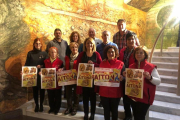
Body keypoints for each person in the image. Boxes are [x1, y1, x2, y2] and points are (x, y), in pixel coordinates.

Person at [124, 46, 161, 120]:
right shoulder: (131, 66)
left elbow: (158, 81)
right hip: (133, 97)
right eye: (137, 53)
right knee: (136, 116)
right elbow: (130, 81)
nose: (138, 54)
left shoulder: (151, 67)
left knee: (140, 117)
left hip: (144, 98)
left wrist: (150, 77)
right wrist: (126, 76)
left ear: (145, 54)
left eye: (141, 53)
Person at [76, 37, 102, 120]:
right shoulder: (81, 54)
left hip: (93, 80)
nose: (89, 45)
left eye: (91, 43)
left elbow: (101, 65)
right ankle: (86, 114)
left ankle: (92, 114)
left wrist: (93, 64)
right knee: (85, 98)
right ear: (85, 44)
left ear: (93, 44)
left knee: (93, 98)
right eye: (88, 43)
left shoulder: (96, 54)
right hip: (84, 80)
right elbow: (78, 65)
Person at [98, 45, 125, 120]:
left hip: (116, 93)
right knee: (106, 111)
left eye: (112, 52)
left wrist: (122, 78)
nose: (110, 53)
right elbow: (99, 76)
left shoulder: (121, 64)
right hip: (104, 92)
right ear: (106, 53)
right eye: (108, 52)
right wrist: (96, 77)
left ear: (115, 53)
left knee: (114, 111)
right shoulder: (102, 63)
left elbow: (125, 77)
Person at [24, 38, 48, 112]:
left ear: (41, 45)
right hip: (33, 76)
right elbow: (27, 64)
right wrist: (23, 72)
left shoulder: (44, 53)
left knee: (42, 91)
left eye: (39, 44)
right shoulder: (30, 53)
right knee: (35, 91)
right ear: (34, 44)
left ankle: (41, 105)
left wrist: (41, 67)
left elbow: (47, 65)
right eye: (36, 43)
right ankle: (36, 105)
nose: (38, 45)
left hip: (41, 75)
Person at [119, 31, 137, 120]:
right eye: (129, 39)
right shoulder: (122, 51)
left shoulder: (138, 51)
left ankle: (135, 115)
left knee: (133, 98)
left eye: (132, 39)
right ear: (126, 41)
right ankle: (128, 115)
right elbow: (120, 63)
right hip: (124, 76)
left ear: (135, 40)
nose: (131, 41)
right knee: (125, 98)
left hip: (134, 77)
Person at [44, 47, 64, 115]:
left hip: (57, 82)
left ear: (57, 53)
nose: (53, 53)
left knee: (57, 97)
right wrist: (41, 72)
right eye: (52, 52)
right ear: (49, 53)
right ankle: (51, 108)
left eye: (54, 52)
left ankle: (57, 109)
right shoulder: (45, 61)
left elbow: (63, 70)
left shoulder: (60, 62)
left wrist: (62, 69)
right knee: (50, 96)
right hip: (49, 82)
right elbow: (43, 70)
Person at [64, 42, 79, 116]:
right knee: (68, 93)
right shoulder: (67, 57)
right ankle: (69, 107)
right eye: (72, 47)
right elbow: (65, 66)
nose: (74, 49)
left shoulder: (80, 57)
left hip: (77, 78)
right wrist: (61, 69)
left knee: (76, 93)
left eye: (75, 47)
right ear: (70, 49)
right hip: (69, 78)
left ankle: (75, 108)